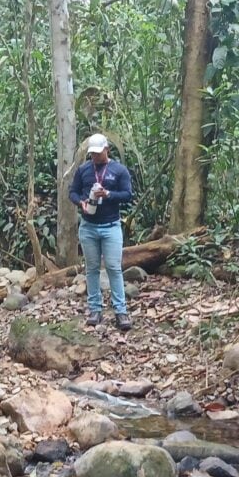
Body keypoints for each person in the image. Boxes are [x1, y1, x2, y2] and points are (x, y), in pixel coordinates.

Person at [68, 132, 134, 330]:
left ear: (107, 150)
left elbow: (128, 195)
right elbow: (72, 192)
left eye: (98, 153)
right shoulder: (83, 170)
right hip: (88, 227)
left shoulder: (119, 170)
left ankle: (120, 311)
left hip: (111, 226)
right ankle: (95, 309)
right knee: (92, 268)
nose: (95, 157)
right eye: (92, 154)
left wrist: (108, 194)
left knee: (114, 267)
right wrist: (81, 202)